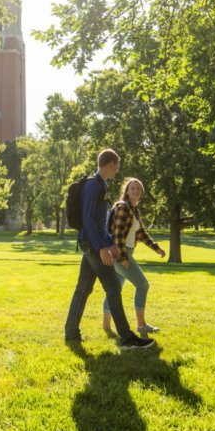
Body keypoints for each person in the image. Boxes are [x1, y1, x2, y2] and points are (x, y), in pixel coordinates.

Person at [64, 149, 156, 350]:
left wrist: (111, 244)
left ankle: (71, 334)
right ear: (111, 163)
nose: (118, 169)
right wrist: (101, 248)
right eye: (117, 165)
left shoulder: (100, 185)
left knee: (83, 289)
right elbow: (88, 220)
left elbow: (99, 223)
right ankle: (126, 338)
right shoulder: (93, 185)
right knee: (113, 287)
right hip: (91, 246)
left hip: (92, 243)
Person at [102, 177, 165, 336]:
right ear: (127, 190)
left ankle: (106, 326)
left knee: (114, 289)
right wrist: (123, 258)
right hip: (120, 253)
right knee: (143, 285)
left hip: (124, 252)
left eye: (138, 189)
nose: (135, 191)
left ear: (142, 193)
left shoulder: (134, 210)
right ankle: (141, 325)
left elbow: (142, 233)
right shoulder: (123, 207)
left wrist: (156, 248)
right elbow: (117, 235)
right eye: (132, 188)